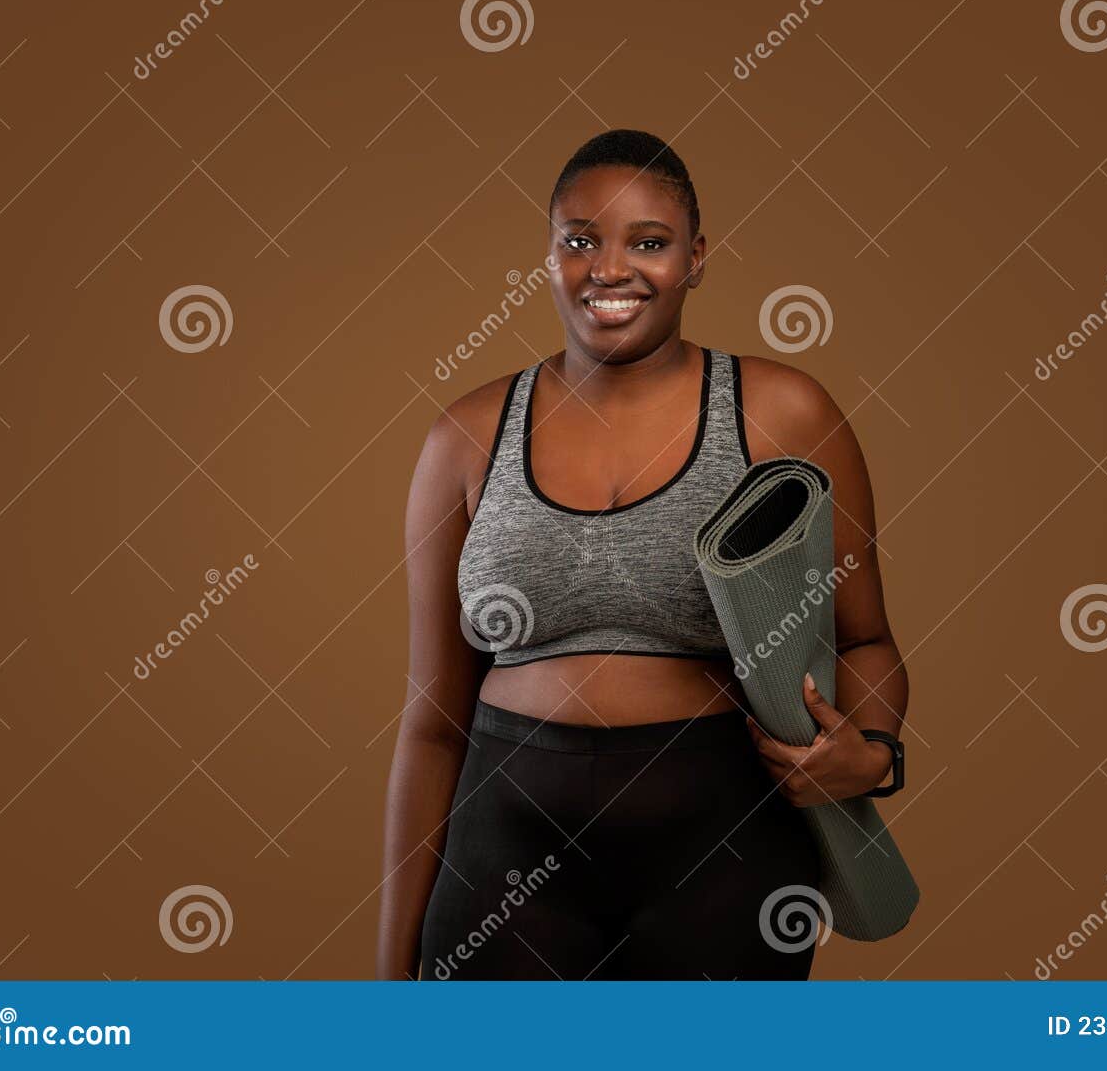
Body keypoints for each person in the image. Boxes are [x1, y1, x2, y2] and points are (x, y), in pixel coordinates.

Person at [376, 129, 910, 979]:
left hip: (725, 846)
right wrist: (389, 973)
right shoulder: (466, 435)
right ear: (549, 257)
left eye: (649, 242)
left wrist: (875, 751)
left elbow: (867, 640)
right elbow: (433, 725)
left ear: (696, 258)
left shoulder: (785, 413)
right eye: (580, 240)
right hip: (505, 844)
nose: (610, 268)